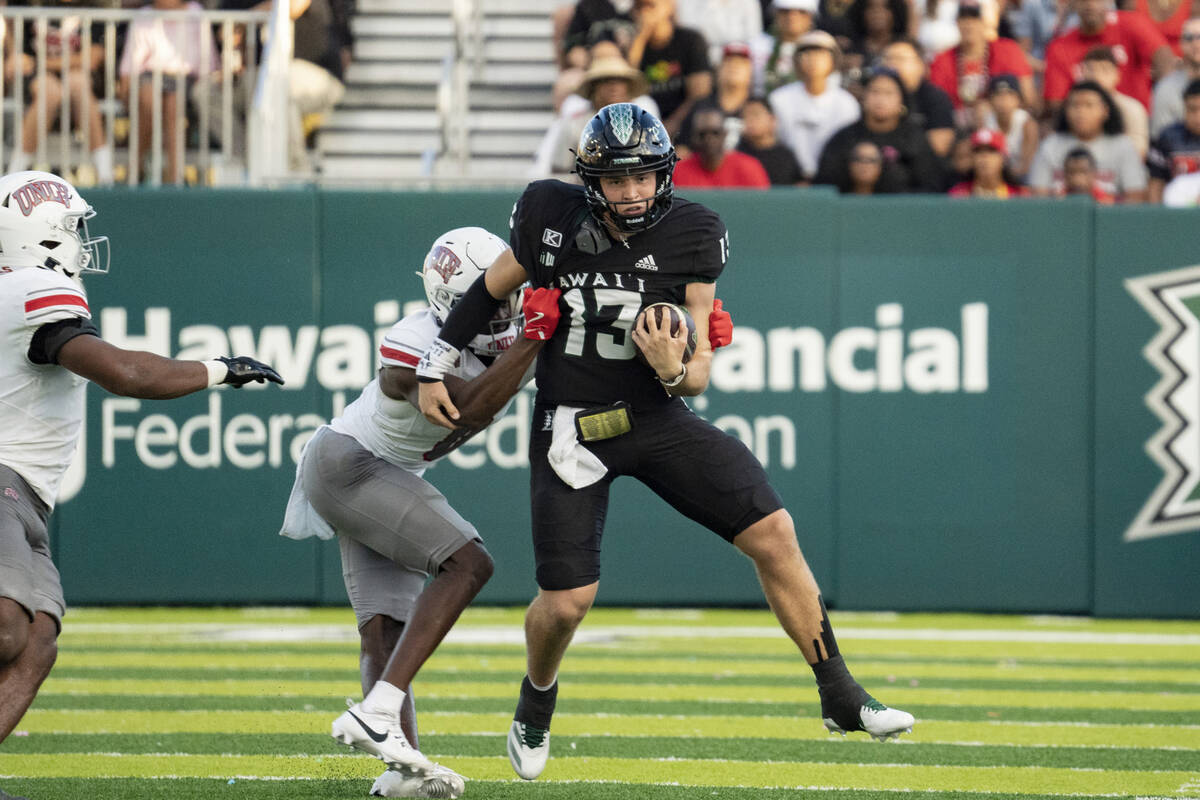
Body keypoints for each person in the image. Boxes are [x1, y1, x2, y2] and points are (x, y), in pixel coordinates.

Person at [413, 102, 915, 783]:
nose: (631, 193)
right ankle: (536, 700)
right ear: (589, 180)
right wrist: (433, 362)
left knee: (773, 530)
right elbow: (488, 288)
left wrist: (674, 366)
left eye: (643, 177)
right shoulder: (546, 215)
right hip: (572, 425)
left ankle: (840, 695)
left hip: (653, 417)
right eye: (616, 181)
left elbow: (698, 376)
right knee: (566, 603)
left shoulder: (695, 233)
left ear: (664, 175)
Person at [0, 170, 283, 800]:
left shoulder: (11, 293)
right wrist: (220, 369)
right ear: (41, 237)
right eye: (73, 229)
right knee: (10, 626)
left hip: (25, 495)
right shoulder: (34, 289)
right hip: (4, 482)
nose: (81, 241)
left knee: (37, 637)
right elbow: (126, 373)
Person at [280, 228, 563, 799]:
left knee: (384, 629)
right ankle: (378, 713)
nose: (507, 303)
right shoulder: (414, 343)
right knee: (469, 563)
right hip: (349, 466)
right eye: (492, 294)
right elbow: (470, 409)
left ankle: (398, 767)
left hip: (381, 474)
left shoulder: (508, 324)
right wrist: (534, 342)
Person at [5, 0, 115, 185]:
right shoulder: (32, 5)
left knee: (77, 81)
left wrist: (40, 62)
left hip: (75, 80)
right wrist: (15, 57)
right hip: (40, 82)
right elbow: (19, 58)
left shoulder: (93, 9)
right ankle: (13, 176)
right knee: (50, 91)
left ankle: (106, 177)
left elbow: (92, 58)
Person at [534, 45, 658, 179]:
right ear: (593, 87)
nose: (614, 87)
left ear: (628, 87)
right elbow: (560, 173)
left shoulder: (643, 123)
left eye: (620, 81)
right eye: (606, 81)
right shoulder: (574, 126)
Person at [814, 67, 944, 191]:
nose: (880, 99)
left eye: (888, 93)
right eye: (875, 91)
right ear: (863, 97)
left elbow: (931, 186)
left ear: (901, 100)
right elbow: (825, 184)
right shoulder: (844, 138)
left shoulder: (914, 139)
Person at [1042, 0, 1175, 114]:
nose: (1090, 5)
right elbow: (1055, 102)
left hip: (1135, 115)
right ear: (1074, 3)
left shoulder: (1130, 22)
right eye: (1083, 0)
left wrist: (1162, 96)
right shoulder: (1060, 46)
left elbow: (1163, 56)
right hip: (1085, 125)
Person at [1029, 79, 1148, 201]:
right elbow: (1038, 195)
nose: (1081, 112)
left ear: (1105, 111)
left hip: (1109, 217)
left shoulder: (1123, 146)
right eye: (1075, 105)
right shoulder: (1051, 145)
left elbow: (1135, 196)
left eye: (1088, 105)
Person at [769, 30, 861, 179]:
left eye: (821, 54)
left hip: (834, 180)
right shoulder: (778, 99)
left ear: (834, 60)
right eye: (806, 54)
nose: (813, 59)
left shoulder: (847, 103)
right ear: (796, 60)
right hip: (789, 180)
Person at [927, 0, 1035, 124]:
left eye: (974, 19)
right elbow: (937, 102)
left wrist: (994, 108)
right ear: (957, 24)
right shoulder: (942, 60)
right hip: (957, 123)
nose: (969, 25)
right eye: (964, 19)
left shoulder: (1007, 50)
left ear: (984, 23)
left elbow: (1028, 98)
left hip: (1002, 122)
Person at [628, 0, 713, 138]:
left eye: (651, 5)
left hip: (685, 123)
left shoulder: (690, 40)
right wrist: (641, 38)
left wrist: (673, 124)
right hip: (646, 125)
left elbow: (700, 93)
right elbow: (627, 86)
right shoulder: (634, 46)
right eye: (639, 7)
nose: (644, 12)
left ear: (669, 7)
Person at [881, 38, 956, 157]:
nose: (892, 65)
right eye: (888, 59)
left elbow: (939, 147)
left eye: (900, 59)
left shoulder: (935, 98)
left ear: (920, 65)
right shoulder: (875, 95)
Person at [677, 42, 755, 153]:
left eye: (740, 63)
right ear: (718, 70)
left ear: (750, 71)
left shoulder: (757, 108)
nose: (734, 67)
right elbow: (682, 149)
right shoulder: (700, 107)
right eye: (728, 62)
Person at [673, 107, 772, 186]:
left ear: (725, 134)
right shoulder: (678, 172)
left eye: (715, 133)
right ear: (694, 137)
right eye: (702, 134)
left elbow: (763, 206)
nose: (709, 139)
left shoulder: (749, 168)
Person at [1080, 45, 1149, 157]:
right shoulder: (1073, 107)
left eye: (1104, 70)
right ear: (1082, 73)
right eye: (1091, 69)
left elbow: (1139, 153)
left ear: (1117, 75)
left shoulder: (1132, 109)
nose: (1097, 75)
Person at [1146, 78, 1200, 203]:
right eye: (1192, 109)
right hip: (1177, 211)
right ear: (1184, 108)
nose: (1198, 116)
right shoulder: (1168, 137)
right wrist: (1157, 217)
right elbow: (1156, 183)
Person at [980, 73, 1040, 180]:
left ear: (1018, 99)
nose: (1004, 100)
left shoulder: (1027, 123)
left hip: (1021, 177)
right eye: (998, 95)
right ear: (990, 100)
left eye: (1009, 95)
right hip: (996, 176)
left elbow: (1026, 165)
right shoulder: (985, 122)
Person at [752, 0, 819, 93]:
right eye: (785, 11)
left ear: (811, 17)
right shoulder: (756, 46)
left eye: (801, 11)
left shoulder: (819, 47)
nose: (792, 17)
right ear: (775, 14)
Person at [736, 95, 805, 183]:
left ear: (772, 119)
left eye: (755, 114)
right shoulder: (738, 154)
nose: (750, 120)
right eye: (744, 116)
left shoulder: (785, 156)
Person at [1150, 16, 1200, 138]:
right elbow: (1162, 138)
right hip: (1181, 153)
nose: (1196, 43)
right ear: (1181, 44)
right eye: (1189, 38)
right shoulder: (1165, 88)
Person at [676, 0, 764, 67]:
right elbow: (684, 41)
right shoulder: (684, 3)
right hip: (697, 65)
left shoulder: (749, 3)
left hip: (736, 63)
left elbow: (754, 43)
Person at [947, 128, 1031, 195]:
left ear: (1003, 158)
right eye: (978, 151)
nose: (984, 157)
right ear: (972, 158)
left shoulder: (1018, 195)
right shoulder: (959, 195)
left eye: (991, 151)